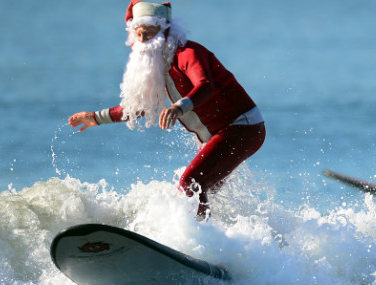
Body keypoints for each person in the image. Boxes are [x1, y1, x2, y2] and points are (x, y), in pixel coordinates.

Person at [69, 1, 265, 220]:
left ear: (165, 32)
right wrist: (96, 118)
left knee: (190, 183)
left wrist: (179, 107)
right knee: (198, 191)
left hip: (242, 127)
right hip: (222, 134)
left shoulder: (187, 53)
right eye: (139, 34)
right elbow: (142, 107)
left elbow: (205, 85)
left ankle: (201, 239)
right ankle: (220, 239)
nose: (143, 40)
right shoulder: (157, 65)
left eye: (149, 34)